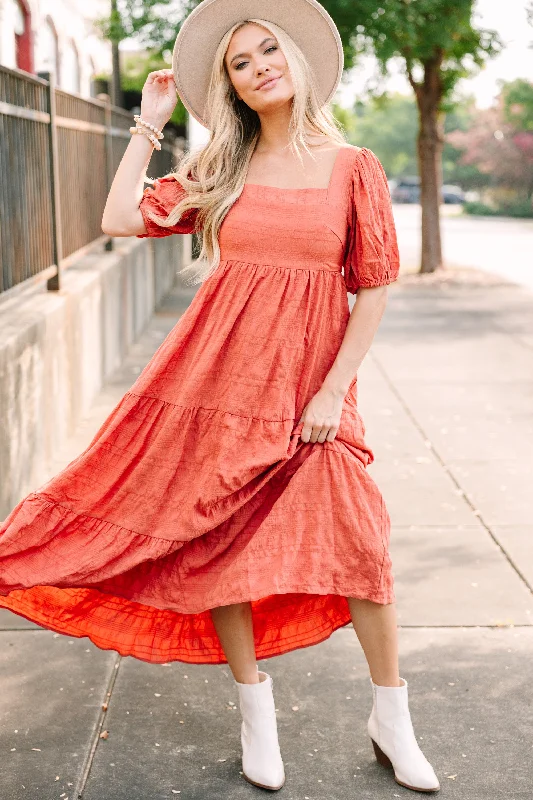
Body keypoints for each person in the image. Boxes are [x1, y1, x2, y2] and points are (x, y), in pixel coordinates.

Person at [0, 0, 439, 793]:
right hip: (214, 384)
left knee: (362, 549)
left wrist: (332, 391)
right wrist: (149, 122)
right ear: (230, 87)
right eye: (240, 63)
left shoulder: (352, 167)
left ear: (296, 62)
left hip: (310, 390)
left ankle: (390, 715)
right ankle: (254, 713)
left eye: (268, 51)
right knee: (220, 551)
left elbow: (371, 286)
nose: (259, 66)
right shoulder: (224, 169)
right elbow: (116, 218)